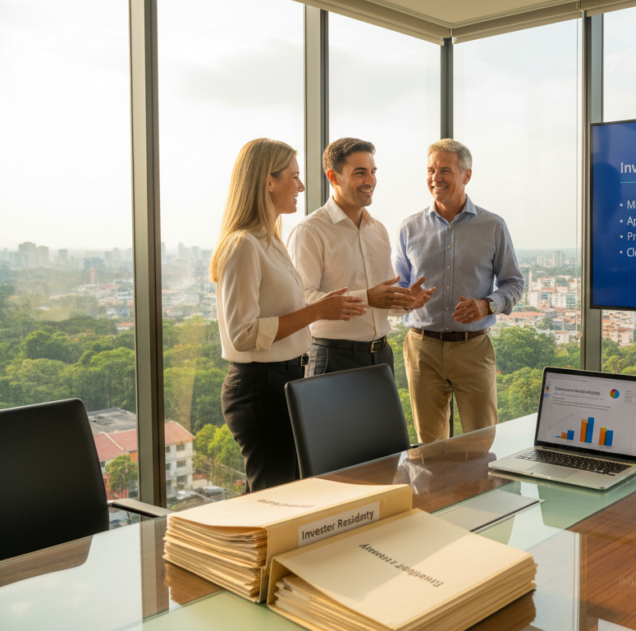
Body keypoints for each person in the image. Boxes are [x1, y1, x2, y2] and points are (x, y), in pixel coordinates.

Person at [211, 138, 365, 492]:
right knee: (272, 499)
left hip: (285, 381)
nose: (301, 186)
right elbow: (243, 334)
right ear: (268, 181)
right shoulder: (243, 245)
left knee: (285, 493)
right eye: (293, 177)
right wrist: (316, 311)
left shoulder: (270, 241)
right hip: (259, 387)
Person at [394, 139, 525, 443]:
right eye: (430, 170)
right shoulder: (408, 228)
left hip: (473, 348)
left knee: (481, 442)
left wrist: (487, 305)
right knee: (430, 445)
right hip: (421, 349)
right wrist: (405, 299)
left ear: (466, 175)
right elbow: (398, 289)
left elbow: (514, 282)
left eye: (444, 170)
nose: (435, 177)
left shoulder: (493, 226)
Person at [287, 138, 434, 377]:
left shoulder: (379, 230)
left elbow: (382, 300)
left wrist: (405, 301)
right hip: (332, 357)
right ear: (333, 177)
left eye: (373, 172)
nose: (370, 181)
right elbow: (301, 300)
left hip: (381, 356)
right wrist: (366, 298)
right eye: (360, 173)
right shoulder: (310, 231)